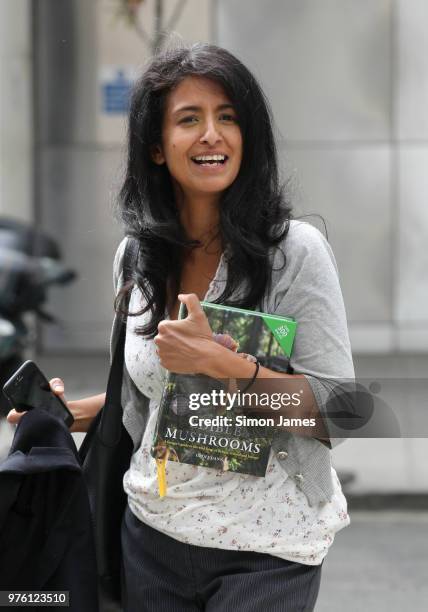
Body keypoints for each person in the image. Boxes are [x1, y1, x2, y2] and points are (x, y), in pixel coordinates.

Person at [8, 43, 355, 611]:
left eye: (228, 118)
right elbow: (150, 394)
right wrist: (66, 416)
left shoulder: (293, 254)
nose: (212, 135)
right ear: (155, 147)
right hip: (151, 538)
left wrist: (226, 365)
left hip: (266, 550)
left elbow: (339, 411)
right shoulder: (137, 258)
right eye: (189, 119)